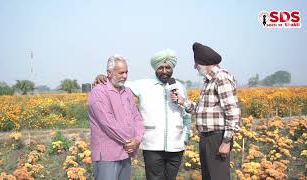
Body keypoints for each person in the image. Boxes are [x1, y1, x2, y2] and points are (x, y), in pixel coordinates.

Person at [94, 49, 191, 180]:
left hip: (176, 145)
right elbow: (119, 81)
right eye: (160, 67)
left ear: (172, 68)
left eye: (168, 67)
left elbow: (186, 116)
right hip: (152, 145)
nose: (164, 71)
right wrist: (104, 77)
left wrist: (185, 136)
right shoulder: (143, 85)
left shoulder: (179, 86)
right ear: (155, 69)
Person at [172, 42, 240, 180]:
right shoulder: (209, 81)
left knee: (218, 177)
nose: (195, 66)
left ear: (204, 62)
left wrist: (226, 141)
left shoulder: (221, 78)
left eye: (196, 63)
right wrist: (182, 101)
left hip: (217, 137)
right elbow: (201, 109)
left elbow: (232, 112)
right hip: (207, 138)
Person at [88, 54, 144, 180]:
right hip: (108, 155)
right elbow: (108, 124)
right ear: (109, 72)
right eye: (121, 73)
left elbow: (137, 118)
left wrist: (137, 140)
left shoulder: (127, 91)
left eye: (126, 72)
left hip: (125, 152)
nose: (124, 76)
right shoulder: (99, 92)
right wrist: (130, 142)